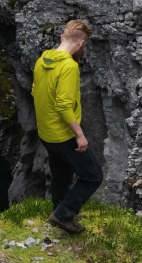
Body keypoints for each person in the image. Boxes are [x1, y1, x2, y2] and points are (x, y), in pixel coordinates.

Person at [32, 19, 103, 234]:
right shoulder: (69, 66)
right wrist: (79, 134)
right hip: (63, 134)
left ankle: (60, 210)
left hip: (46, 132)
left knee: (61, 172)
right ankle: (63, 215)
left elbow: (35, 91)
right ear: (80, 44)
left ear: (62, 37)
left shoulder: (42, 59)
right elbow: (63, 105)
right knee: (92, 175)